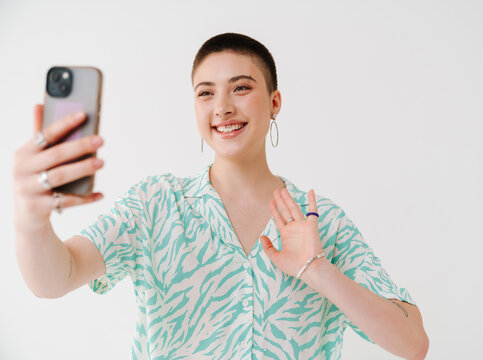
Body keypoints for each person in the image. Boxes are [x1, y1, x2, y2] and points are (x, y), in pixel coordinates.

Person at [14, 33, 429, 359]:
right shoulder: (156, 203)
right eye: (206, 92)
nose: (223, 107)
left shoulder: (321, 221)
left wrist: (317, 270)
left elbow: (413, 344)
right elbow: (56, 278)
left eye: (241, 87)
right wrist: (31, 220)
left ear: (274, 102)